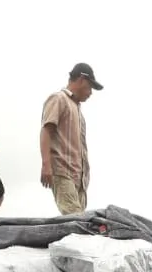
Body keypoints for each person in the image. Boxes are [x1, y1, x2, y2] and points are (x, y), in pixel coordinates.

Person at [40, 63, 103, 215]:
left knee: (81, 225)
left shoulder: (78, 111)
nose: (90, 93)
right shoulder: (59, 99)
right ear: (81, 79)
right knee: (76, 220)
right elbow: (46, 130)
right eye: (90, 87)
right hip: (63, 171)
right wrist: (46, 165)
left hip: (79, 179)